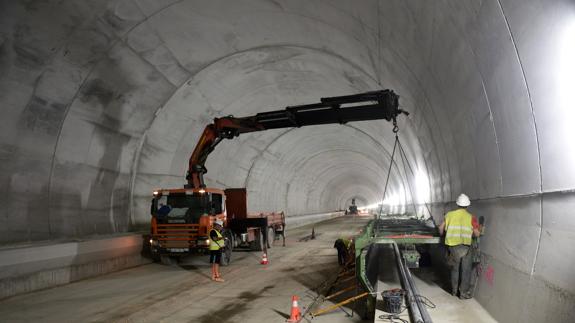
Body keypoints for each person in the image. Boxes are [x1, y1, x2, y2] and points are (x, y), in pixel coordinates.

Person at [438, 193, 480, 299]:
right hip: (466, 246)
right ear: (467, 205)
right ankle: (463, 294)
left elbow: (440, 228)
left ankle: (454, 291)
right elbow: (476, 233)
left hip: (452, 246)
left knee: (454, 269)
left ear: (457, 204)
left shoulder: (449, 215)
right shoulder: (471, 217)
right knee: (466, 270)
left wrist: (442, 235)